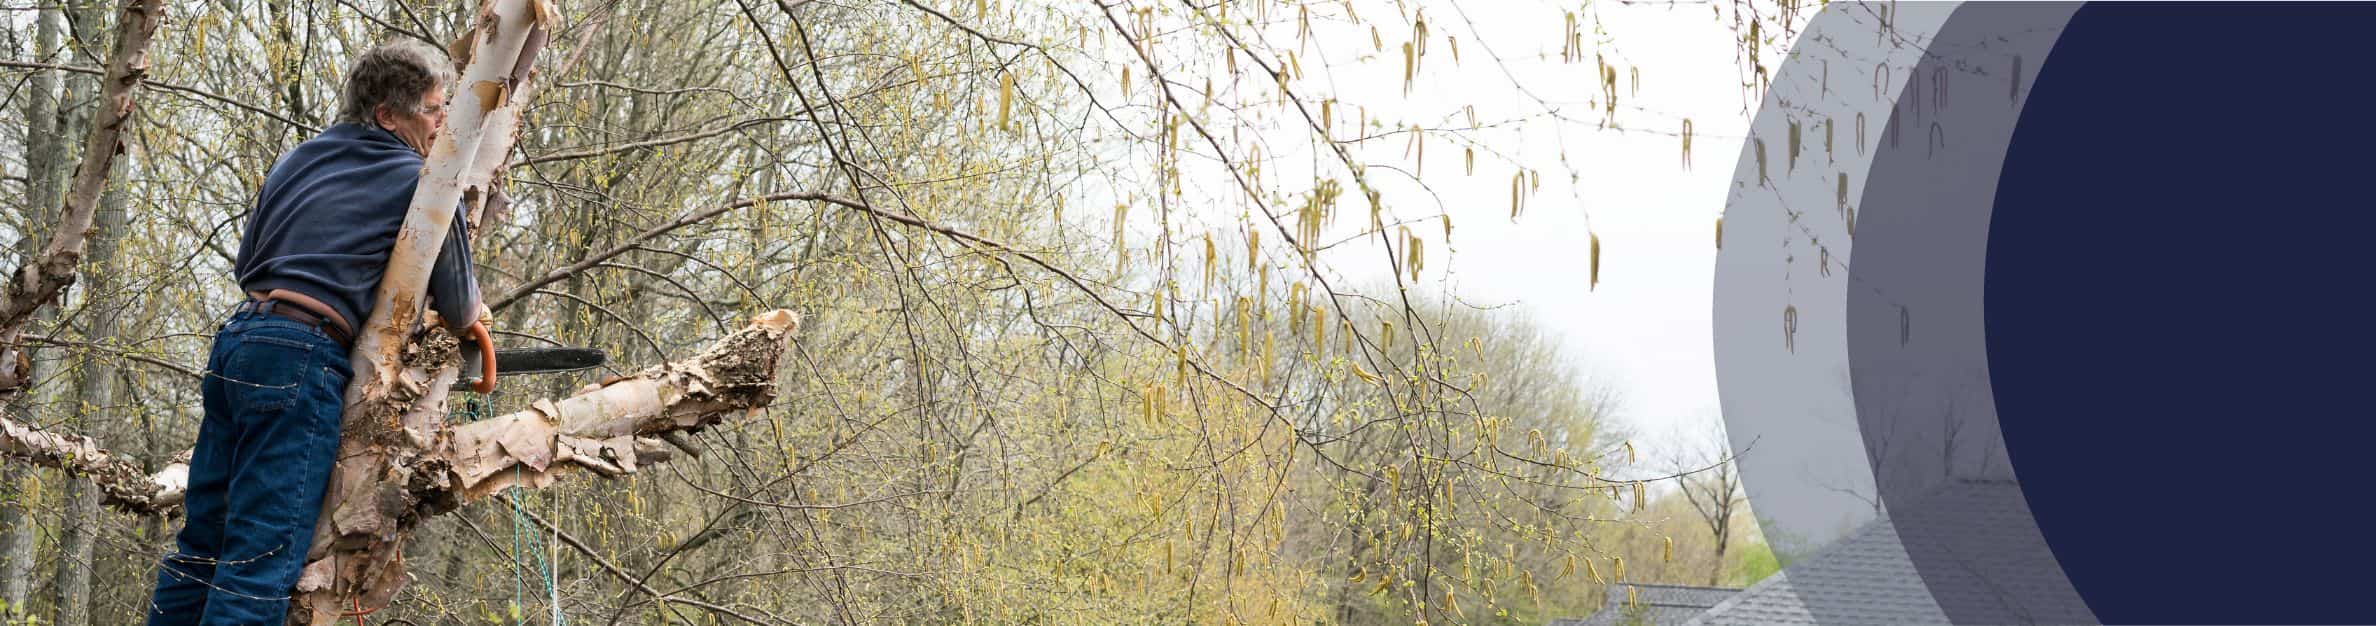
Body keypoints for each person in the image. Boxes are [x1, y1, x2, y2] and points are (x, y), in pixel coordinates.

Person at [144, 39, 486, 625]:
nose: (441, 123)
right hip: (301, 356)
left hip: (239, 342)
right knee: (260, 560)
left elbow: (247, 262)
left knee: (202, 546)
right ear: (388, 116)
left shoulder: (298, 159)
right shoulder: (426, 181)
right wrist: (474, 325)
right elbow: (458, 304)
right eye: (433, 109)